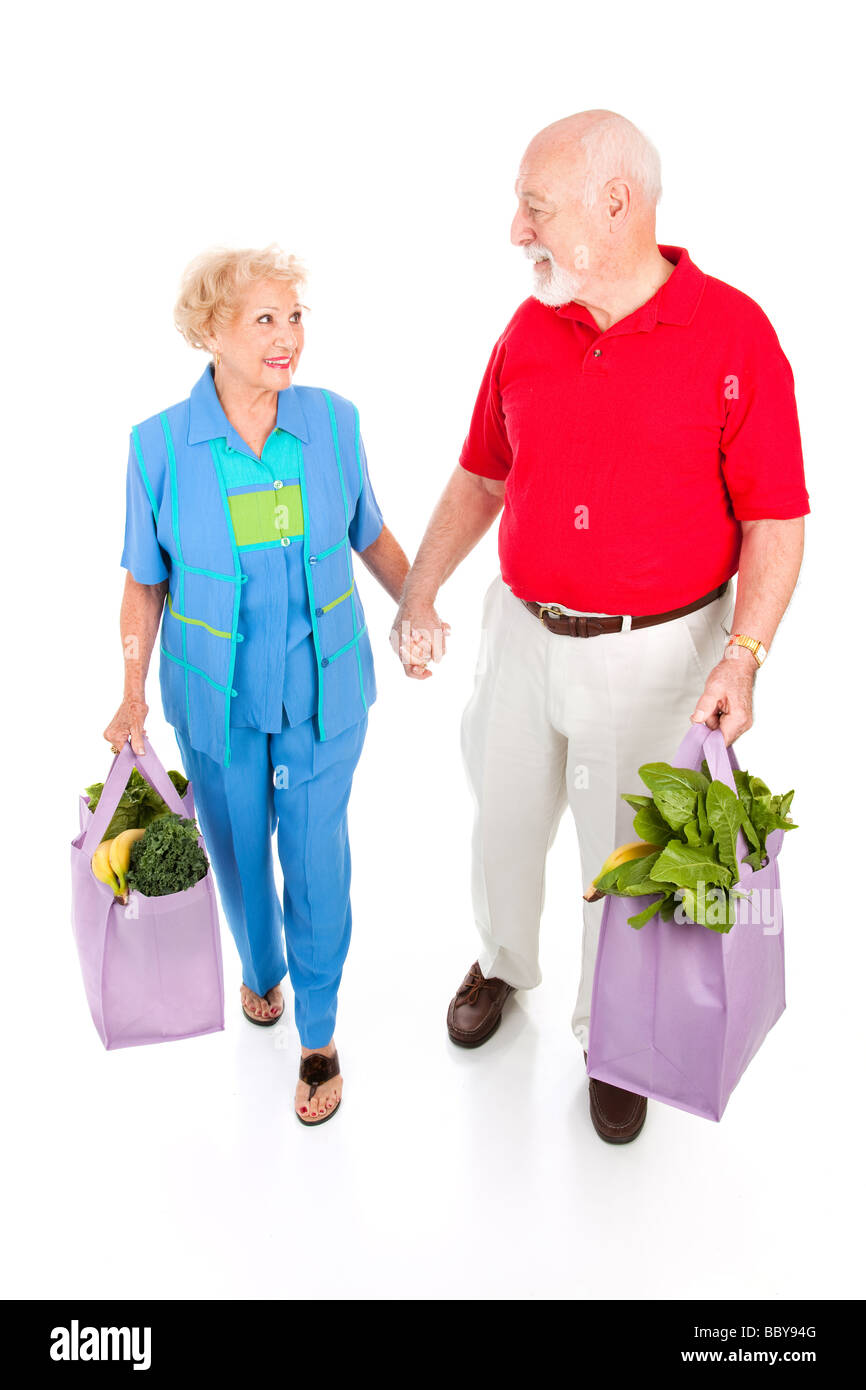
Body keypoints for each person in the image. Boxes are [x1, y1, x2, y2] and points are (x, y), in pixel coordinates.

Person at [392, 111, 809, 1144]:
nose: (513, 230)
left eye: (533, 206)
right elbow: (482, 472)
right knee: (501, 822)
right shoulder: (528, 329)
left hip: (656, 655)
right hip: (520, 632)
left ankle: (610, 1034)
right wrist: (421, 590)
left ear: (613, 203)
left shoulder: (732, 333)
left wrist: (743, 658)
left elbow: (775, 519)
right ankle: (501, 962)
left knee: (620, 859)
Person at [106, 245, 415, 1125]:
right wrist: (130, 690)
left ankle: (318, 1033)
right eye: (265, 320)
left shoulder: (332, 424)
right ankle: (262, 970)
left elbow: (371, 532)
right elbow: (143, 579)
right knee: (238, 852)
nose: (289, 338)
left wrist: (415, 605)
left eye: (296, 317)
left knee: (317, 859)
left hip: (323, 694)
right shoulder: (159, 445)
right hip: (218, 703)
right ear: (211, 332)